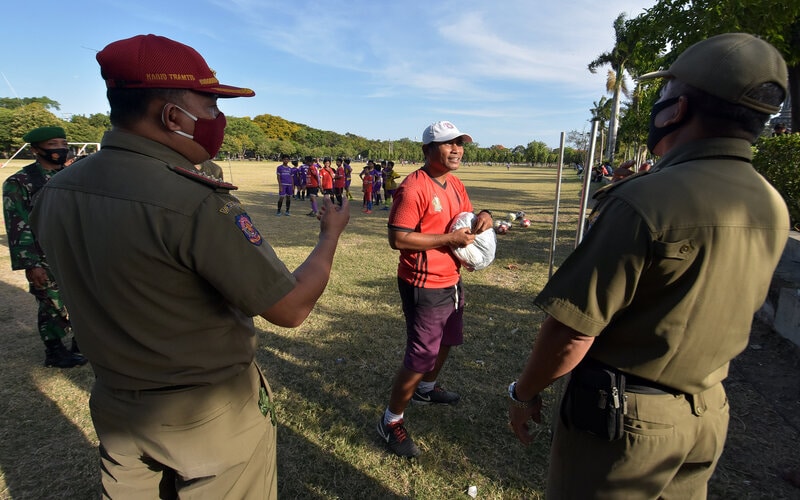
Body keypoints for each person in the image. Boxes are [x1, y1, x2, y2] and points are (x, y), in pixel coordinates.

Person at [30, 34, 349, 498]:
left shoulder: (56, 191)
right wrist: (329, 236)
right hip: (205, 414)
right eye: (212, 106)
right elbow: (291, 308)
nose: (218, 120)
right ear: (172, 116)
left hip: (116, 404)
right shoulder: (193, 202)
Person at [507, 33, 789, 499]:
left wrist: (523, 393)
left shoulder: (646, 201)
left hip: (625, 423)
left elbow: (573, 331)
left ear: (677, 108)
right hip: (708, 410)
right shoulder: (771, 203)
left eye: (665, 92)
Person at [378, 120, 493, 458]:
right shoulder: (413, 188)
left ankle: (426, 389)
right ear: (428, 150)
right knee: (420, 355)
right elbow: (397, 239)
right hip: (423, 283)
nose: (457, 148)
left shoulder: (455, 183)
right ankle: (390, 420)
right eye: (448, 143)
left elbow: (465, 221)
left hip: (452, 279)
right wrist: (448, 239)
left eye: (460, 142)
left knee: (448, 341)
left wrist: (483, 215)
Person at [2, 126, 88, 369]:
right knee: (51, 302)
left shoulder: (73, 176)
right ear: (35, 150)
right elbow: (17, 224)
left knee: (80, 299)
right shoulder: (20, 182)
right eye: (52, 144)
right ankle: (55, 351)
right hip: (44, 255)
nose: (60, 149)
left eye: (63, 143)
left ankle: (80, 343)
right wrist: (30, 264)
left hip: (75, 252)